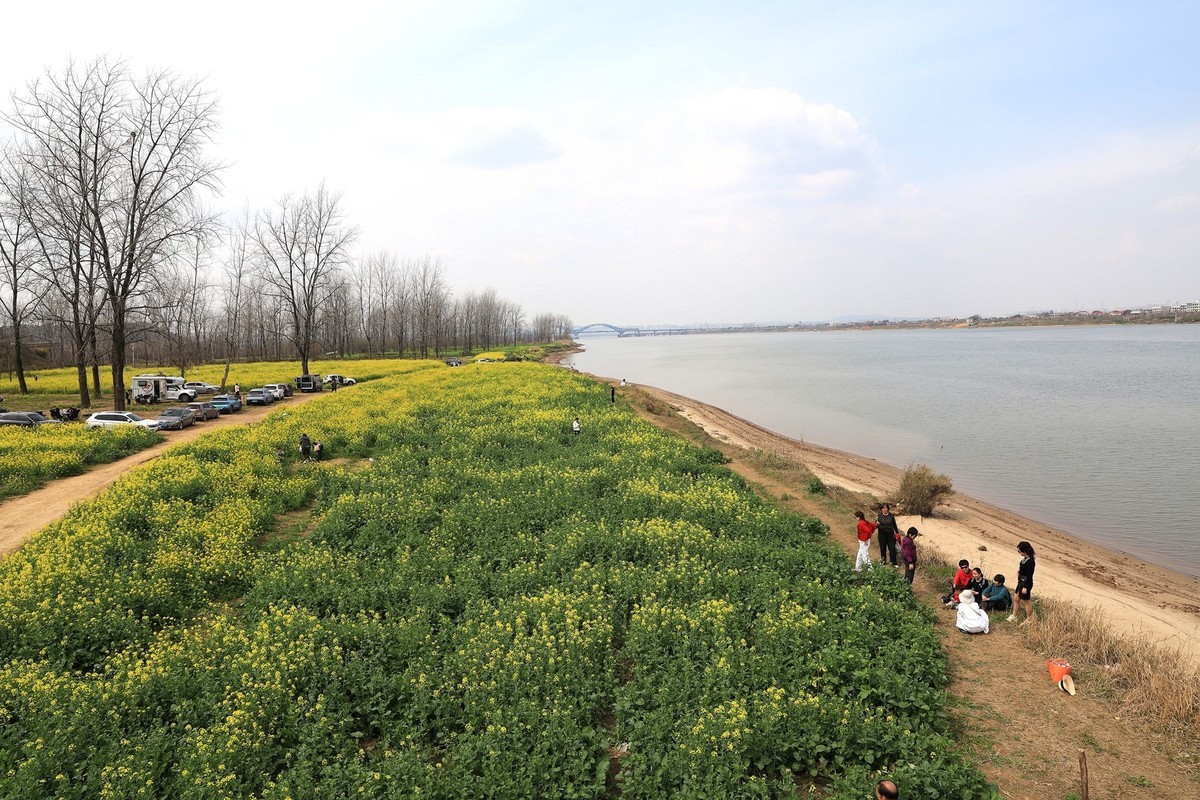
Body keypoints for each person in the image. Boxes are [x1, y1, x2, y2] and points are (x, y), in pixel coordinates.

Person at [1009, 541, 1037, 624]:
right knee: (1016, 598)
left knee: (1026, 601)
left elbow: (1029, 575)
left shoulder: (1031, 561)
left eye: (1020, 551)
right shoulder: (1025, 559)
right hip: (1020, 581)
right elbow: (1023, 569)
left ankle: (1029, 620)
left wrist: (1025, 587)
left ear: (1024, 551)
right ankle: (1014, 616)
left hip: (1026, 583)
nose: (1019, 553)